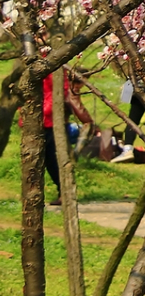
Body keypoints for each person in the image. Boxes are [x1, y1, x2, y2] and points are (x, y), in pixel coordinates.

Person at [41, 67, 95, 205]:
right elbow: (82, 114)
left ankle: (63, 193)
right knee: (56, 162)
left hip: (43, 122)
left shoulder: (50, 78)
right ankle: (64, 192)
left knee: (50, 162)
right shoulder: (69, 88)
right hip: (53, 126)